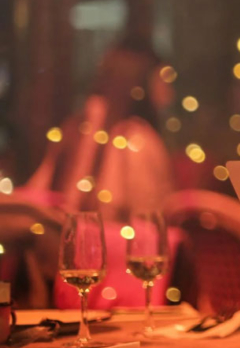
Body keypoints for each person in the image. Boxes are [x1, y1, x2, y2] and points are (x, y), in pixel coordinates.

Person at [22, 36, 176, 222]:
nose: (169, 95)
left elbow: (147, 223)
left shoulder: (137, 140)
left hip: (99, 242)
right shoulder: (82, 129)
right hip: (76, 240)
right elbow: (38, 194)